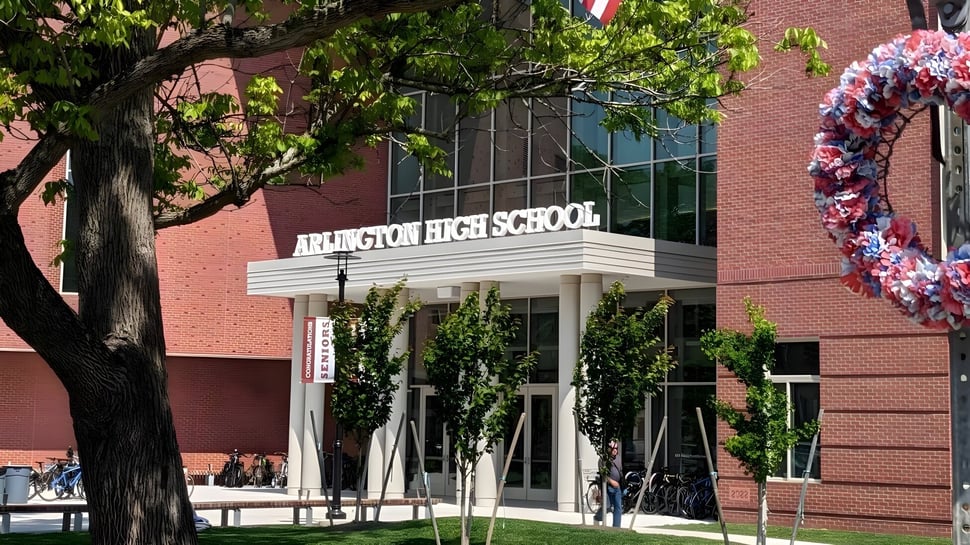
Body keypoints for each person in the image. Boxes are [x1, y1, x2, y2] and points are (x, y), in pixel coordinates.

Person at [593, 440, 623, 528]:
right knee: (607, 506)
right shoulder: (602, 459)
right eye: (613, 449)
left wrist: (622, 484)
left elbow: (620, 471)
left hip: (617, 486)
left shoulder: (618, 458)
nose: (615, 451)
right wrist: (611, 481)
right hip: (607, 486)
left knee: (618, 507)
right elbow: (603, 474)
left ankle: (616, 527)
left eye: (616, 449)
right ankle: (597, 517)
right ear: (609, 449)